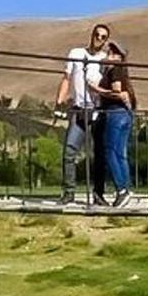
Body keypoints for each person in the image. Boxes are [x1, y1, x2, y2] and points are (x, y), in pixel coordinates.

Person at [54, 23, 110, 205]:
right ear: (91, 35)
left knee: (99, 153)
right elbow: (66, 79)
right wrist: (59, 102)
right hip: (79, 110)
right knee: (69, 151)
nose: (99, 39)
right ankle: (69, 192)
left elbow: (112, 84)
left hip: (98, 110)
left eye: (103, 37)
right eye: (97, 35)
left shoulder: (105, 60)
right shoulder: (76, 54)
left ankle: (98, 194)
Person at [94, 41, 138, 207]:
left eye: (112, 53)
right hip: (124, 114)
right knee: (120, 154)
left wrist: (96, 89)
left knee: (110, 152)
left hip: (114, 113)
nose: (108, 54)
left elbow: (117, 92)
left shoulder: (115, 69)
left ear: (118, 57)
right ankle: (125, 187)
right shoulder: (121, 71)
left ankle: (121, 190)